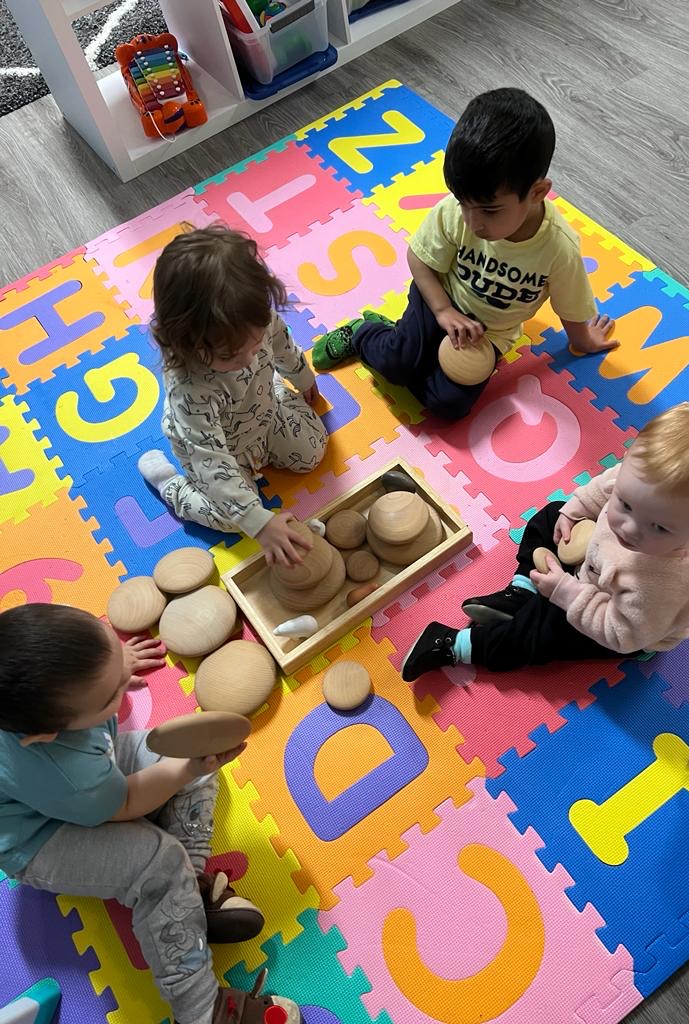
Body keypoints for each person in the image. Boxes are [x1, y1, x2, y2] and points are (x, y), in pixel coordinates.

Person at [0, 603, 302, 1024]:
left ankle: (189, 891)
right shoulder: (59, 768)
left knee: (189, 760)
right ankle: (200, 1010)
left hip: (90, 776)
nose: (125, 681)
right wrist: (187, 769)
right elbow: (122, 806)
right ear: (48, 733)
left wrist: (115, 664)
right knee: (158, 861)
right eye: (111, 694)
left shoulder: (56, 696)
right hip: (42, 838)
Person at [311, 87, 616, 421]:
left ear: (537, 192)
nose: (472, 223)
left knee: (448, 406)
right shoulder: (455, 214)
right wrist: (442, 311)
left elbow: (570, 309)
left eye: (489, 211)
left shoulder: (558, 248)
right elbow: (420, 259)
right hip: (439, 299)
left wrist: (585, 341)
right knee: (395, 365)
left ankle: (411, 351)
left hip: (489, 333)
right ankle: (363, 332)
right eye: (463, 204)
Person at [401, 404, 689, 680]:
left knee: (541, 633)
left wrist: (567, 593)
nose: (629, 528)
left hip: (620, 620)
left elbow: (622, 633)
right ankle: (523, 589)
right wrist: (575, 511)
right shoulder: (654, 487)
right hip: (594, 565)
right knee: (552, 515)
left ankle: (456, 646)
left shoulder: (668, 584)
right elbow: (607, 485)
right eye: (626, 504)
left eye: (659, 528)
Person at [138, 224, 328, 567]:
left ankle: (276, 395)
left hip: (263, 414)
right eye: (229, 356)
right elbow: (212, 462)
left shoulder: (258, 319)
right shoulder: (190, 388)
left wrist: (301, 376)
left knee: (311, 452)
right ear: (185, 342)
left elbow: (283, 347)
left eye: (255, 345)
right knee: (236, 519)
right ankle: (172, 488)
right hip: (214, 451)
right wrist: (260, 524)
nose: (249, 358)